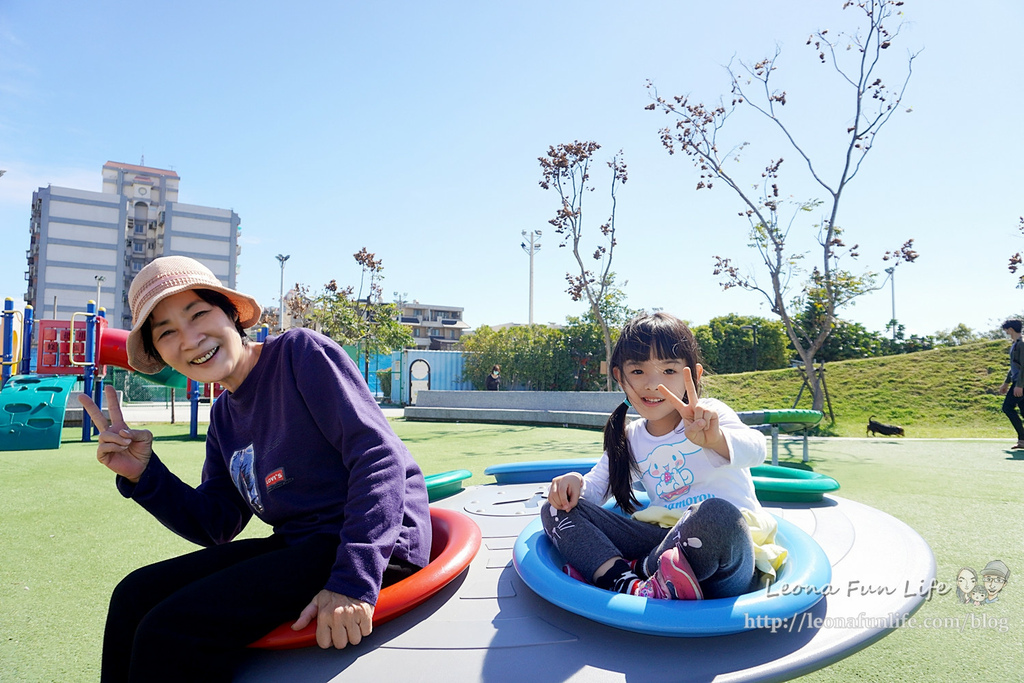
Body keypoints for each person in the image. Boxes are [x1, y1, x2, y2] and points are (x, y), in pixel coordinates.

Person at [78, 256, 431, 683]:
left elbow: (379, 458)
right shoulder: (225, 416)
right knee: (133, 595)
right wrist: (144, 474)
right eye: (167, 332)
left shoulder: (299, 354)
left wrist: (353, 582)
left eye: (198, 313)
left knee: (169, 631)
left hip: (373, 544)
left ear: (230, 313)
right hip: (302, 546)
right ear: (160, 354)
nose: (190, 339)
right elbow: (216, 523)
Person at [541, 312, 770, 601]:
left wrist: (716, 439)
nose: (652, 384)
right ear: (619, 377)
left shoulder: (710, 414)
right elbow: (594, 489)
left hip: (723, 553)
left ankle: (640, 569)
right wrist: (574, 484)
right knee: (555, 509)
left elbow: (757, 448)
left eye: (669, 371)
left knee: (715, 513)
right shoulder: (631, 438)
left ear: (694, 375)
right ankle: (628, 583)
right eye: (637, 371)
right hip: (660, 540)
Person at [998, 320, 1024, 449]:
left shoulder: (1022, 344)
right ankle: (1022, 440)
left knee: (1007, 407)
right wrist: (1006, 383)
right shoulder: (1015, 344)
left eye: (1006, 330)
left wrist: (1019, 385)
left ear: (1011, 330)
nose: (1006, 333)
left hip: (1021, 382)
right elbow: (1014, 366)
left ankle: (1022, 438)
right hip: (1017, 381)